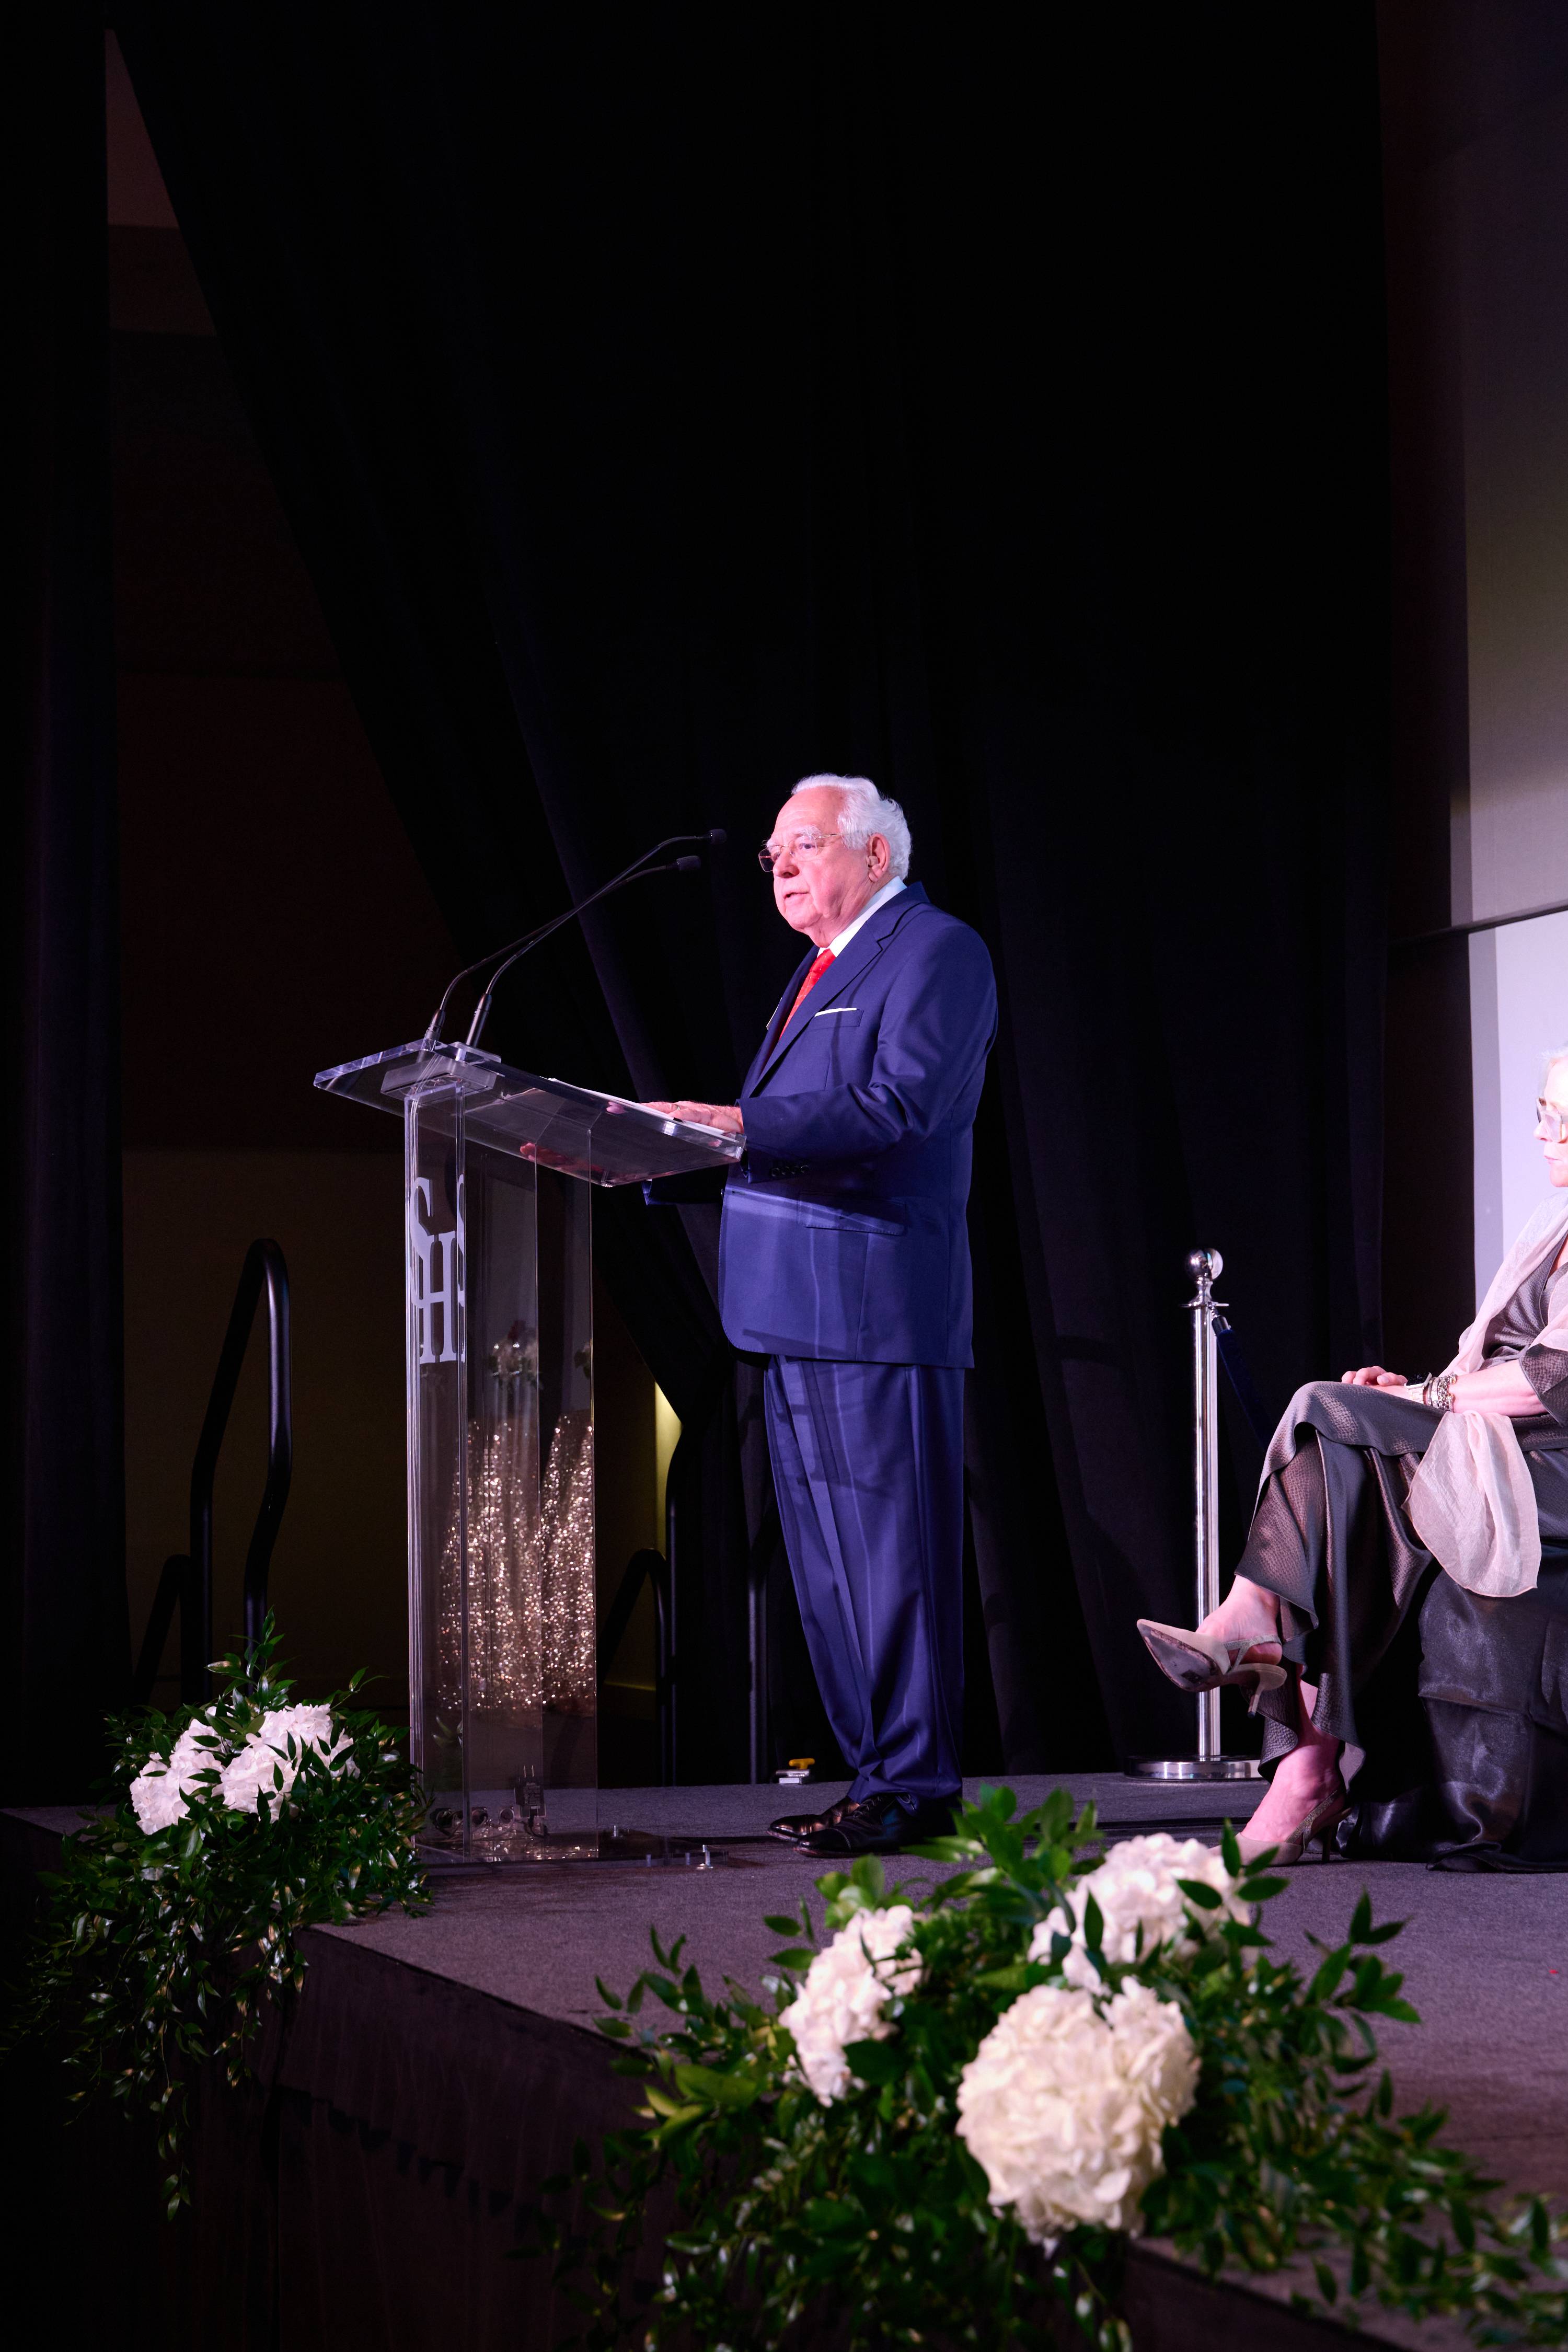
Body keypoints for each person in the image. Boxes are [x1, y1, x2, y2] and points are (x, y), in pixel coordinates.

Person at [647, 774, 997, 1856]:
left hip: (873, 1306)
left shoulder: (934, 951)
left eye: (803, 844)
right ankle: (878, 1779)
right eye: (774, 854)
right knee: (834, 1572)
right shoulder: (819, 968)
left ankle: (915, 1782)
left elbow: (901, 1107)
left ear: (876, 855)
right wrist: (657, 1150)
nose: (782, 867)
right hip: (793, 1312)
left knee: (892, 1562)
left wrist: (737, 1124)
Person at [1139, 1047, 1568, 1865]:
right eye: (1544, 1113)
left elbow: (1553, 1380)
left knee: (1323, 1412)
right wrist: (1414, 1390)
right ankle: (1299, 1752)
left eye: (1563, 1120)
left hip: (1555, 1466)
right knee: (1335, 1442)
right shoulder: (1549, 1224)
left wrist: (1424, 1401)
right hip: (1511, 1442)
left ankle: (1268, 1670)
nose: (1546, 1135)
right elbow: (1491, 1368)